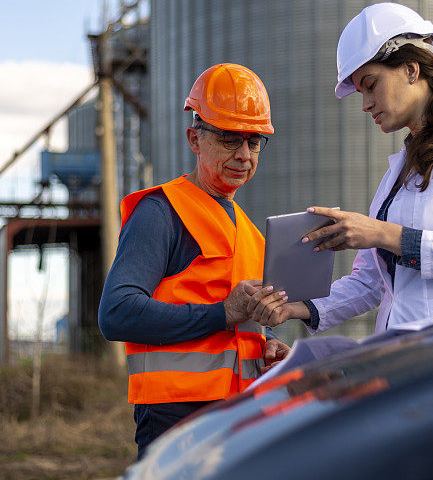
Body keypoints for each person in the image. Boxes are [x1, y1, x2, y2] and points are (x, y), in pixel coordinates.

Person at [248, 2, 433, 335]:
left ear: (411, 69)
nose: (365, 104)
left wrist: (380, 233)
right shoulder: (399, 171)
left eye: (371, 84)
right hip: (403, 353)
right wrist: (299, 307)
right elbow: (370, 282)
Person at [98, 63, 291, 459]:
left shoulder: (252, 235)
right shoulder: (161, 212)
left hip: (241, 419)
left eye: (253, 142)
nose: (243, 154)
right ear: (194, 139)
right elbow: (115, 313)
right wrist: (222, 313)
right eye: (228, 139)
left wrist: (268, 346)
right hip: (177, 422)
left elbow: (237, 326)